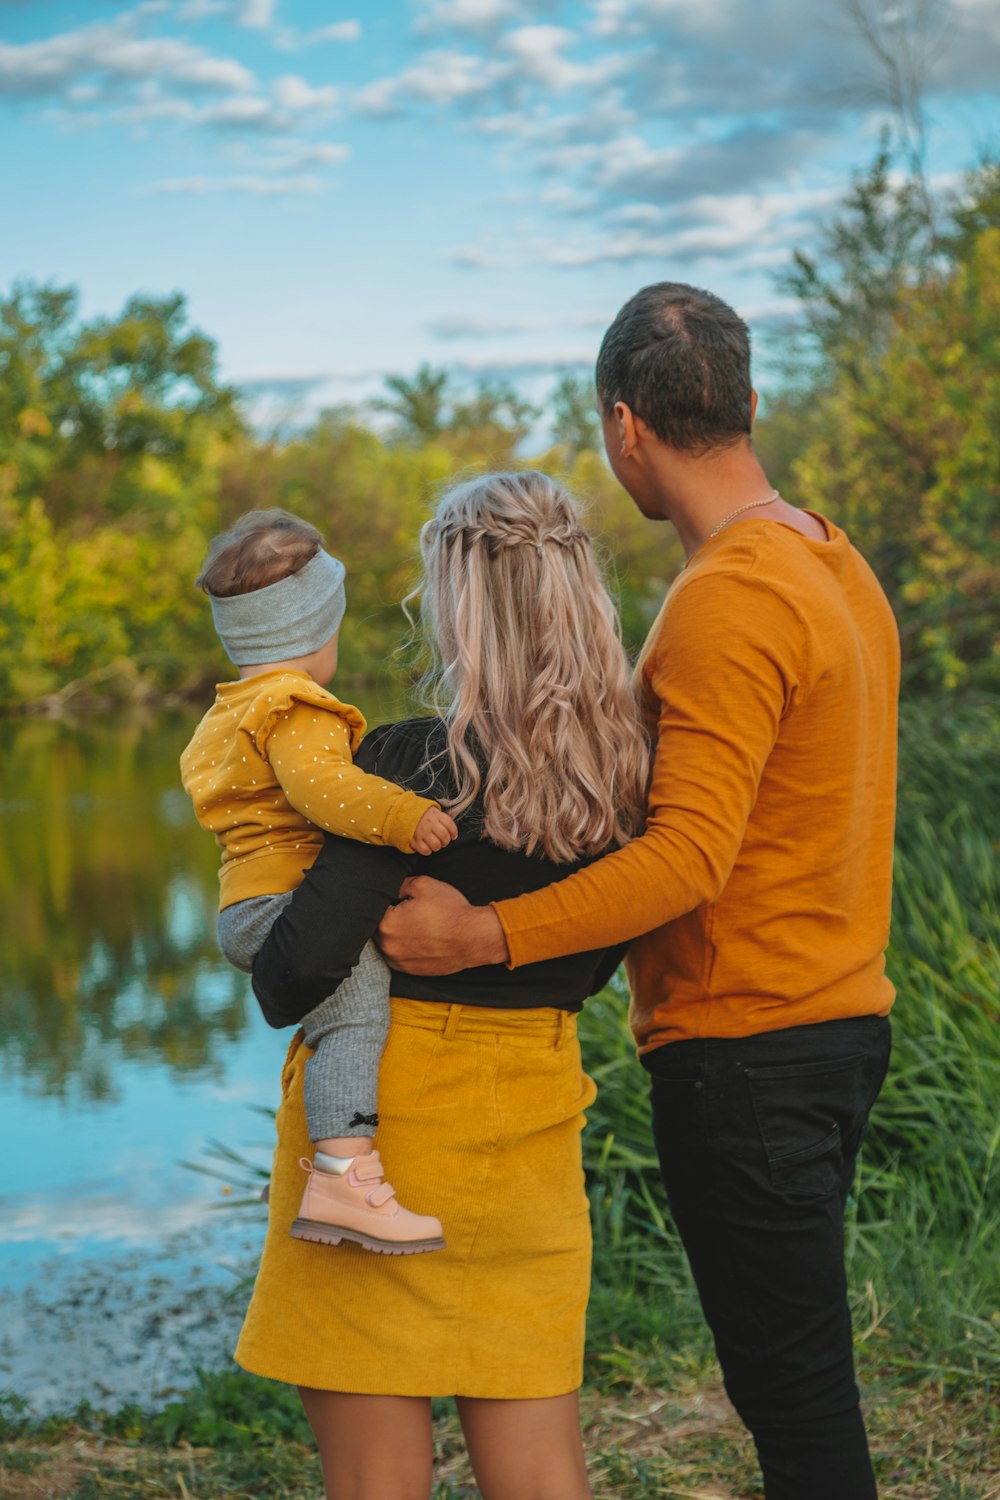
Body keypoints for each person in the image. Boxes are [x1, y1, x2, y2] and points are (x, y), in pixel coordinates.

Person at [379, 283, 900, 1500]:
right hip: (836, 1026)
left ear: (625, 428)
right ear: (749, 399)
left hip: (749, 1051)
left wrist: (480, 934)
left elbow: (685, 859)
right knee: (803, 1381)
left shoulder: (723, 601)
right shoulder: (831, 555)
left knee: (794, 1398)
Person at [237, 471, 651, 1500]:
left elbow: (295, 976)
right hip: (531, 1123)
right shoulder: (631, 781)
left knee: (377, 1474)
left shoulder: (409, 764)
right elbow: (594, 957)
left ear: (457, 601)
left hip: (380, 1139)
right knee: (540, 1466)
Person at [180, 508, 458, 1253]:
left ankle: (327, 1167)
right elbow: (324, 792)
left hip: (247, 901)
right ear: (311, 632)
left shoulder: (228, 713)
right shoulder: (294, 707)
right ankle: (344, 1177)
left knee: (332, 1019)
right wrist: (405, 815)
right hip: (285, 902)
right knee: (356, 1017)